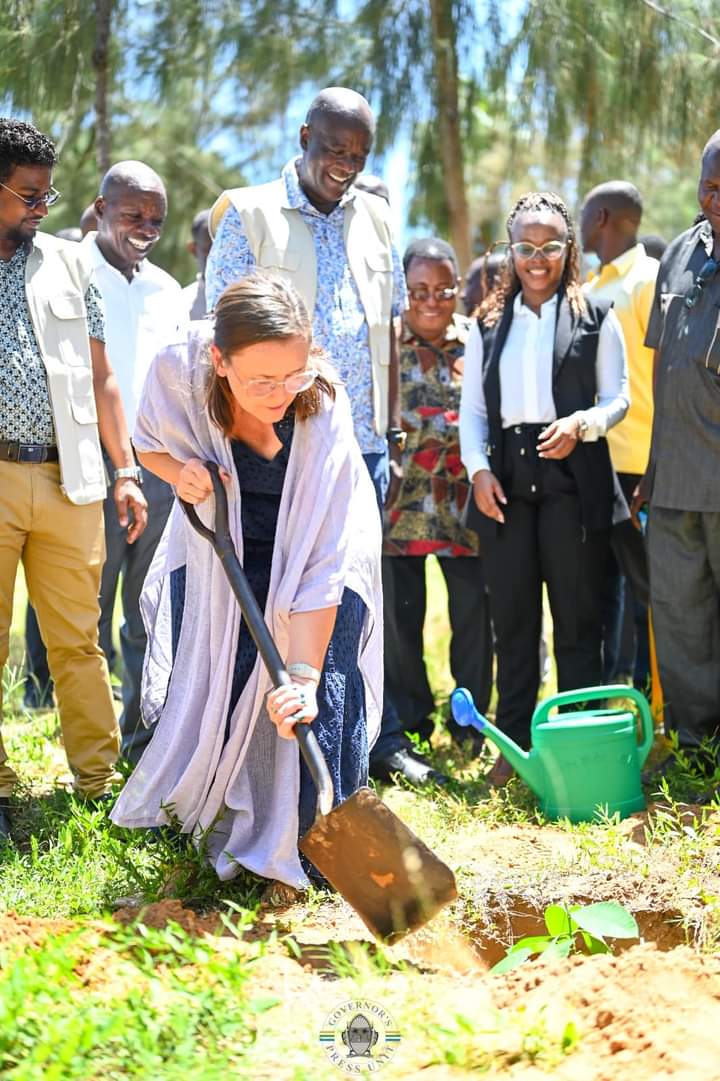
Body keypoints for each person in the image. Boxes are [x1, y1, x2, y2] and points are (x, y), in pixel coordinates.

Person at [111, 273, 382, 894]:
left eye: (295, 375)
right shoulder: (178, 367)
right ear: (219, 360)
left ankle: (310, 848)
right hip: (221, 536)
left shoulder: (324, 407)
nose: (283, 394)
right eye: (262, 381)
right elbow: (148, 442)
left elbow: (322, 559)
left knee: (315, 690)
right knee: (226, 671)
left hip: (323, 539)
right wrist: (180, 471)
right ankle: (223, 814)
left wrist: (305, 677)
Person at [205, 86, 440, 785]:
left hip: (361, 445)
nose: (344, 165)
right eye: (334, 149)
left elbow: (388, 331)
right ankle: (265, 757)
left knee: (359, 595)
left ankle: (371, 736)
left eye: (358, 155)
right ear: (305, 134)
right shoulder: (248, 214)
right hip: (276, 448)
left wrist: (390, 432)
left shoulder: (377, 219)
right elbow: (223, 331)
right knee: (284, 596)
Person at [0, 118, 147, 840]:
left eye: (47, 195)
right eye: (28, 196)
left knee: (79, 642)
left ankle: (98, 783)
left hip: (68, 479)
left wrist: (127, 470)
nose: (41, 208)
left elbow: (102, 377)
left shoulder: (67, 264)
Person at [460, 191, 629, 785]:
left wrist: (585, 424)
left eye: (550, 246)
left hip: (572, 481)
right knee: (514, 621)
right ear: (510, 252)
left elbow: (619, 398)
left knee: (578, 621)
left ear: (567, 249)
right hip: (504, 480)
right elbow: (474, 412)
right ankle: (512, 749)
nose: (538, 258)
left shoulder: (597, 315)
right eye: (526, 247)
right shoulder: (485, 322)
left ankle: (579, 747)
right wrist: (477, 470)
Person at [81, 161, 184, 765]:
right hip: (87, 464)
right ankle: (90, 751)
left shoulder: (168, 291)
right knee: (85, 612)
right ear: (100, 208)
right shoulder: (69, 273)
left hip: (158, 464)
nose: (145, 227)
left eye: (156, 219)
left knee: (149, 611)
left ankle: (143, 743)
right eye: (132, 215)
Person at [632, 131, 720, 768]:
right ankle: (698, 745)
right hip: (674, 480)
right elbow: (666, 372)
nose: (717, 199)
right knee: (681, 617)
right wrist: (654, 468)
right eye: (710, 186)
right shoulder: (682, 252)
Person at [384, 238, 492, 750]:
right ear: (402, 289)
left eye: (443, 289)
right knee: (402, 621)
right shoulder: (381, 343)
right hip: (397, 509)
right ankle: (411, 723)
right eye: (419, 289)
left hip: (465, 507)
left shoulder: (478, 341)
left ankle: (470, 726)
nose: (431, 299)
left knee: (472, 619)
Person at [581, 181, 659, 689]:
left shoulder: (648, 280)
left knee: (648, 594)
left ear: (603, 216)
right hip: (592, 461)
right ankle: (611, 694)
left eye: (584, 212)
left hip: (638, 464)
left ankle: (660, 702)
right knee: (599, 591)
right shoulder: (588, 287)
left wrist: (657, 468)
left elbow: (667, 376)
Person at [182, 208, 212, 320]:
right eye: (209, 249)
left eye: (224, 247)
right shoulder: (180, 305)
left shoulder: (253, 299)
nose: (217, 257)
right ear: (193, 249)